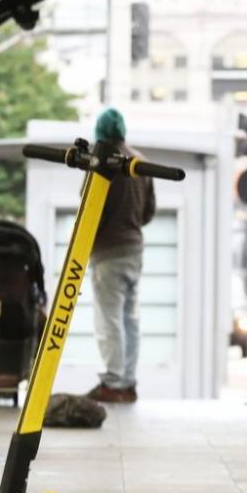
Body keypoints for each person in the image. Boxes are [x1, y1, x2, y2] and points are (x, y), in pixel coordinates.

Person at [87, 108, 155, 403]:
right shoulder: (140, 163)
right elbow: (149, 212)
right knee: (129, 318)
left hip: (108, 253)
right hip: (134, 251)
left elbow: (92, 210)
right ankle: (127, 381)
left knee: (109, 319)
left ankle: (113, 382)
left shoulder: (103, 164)